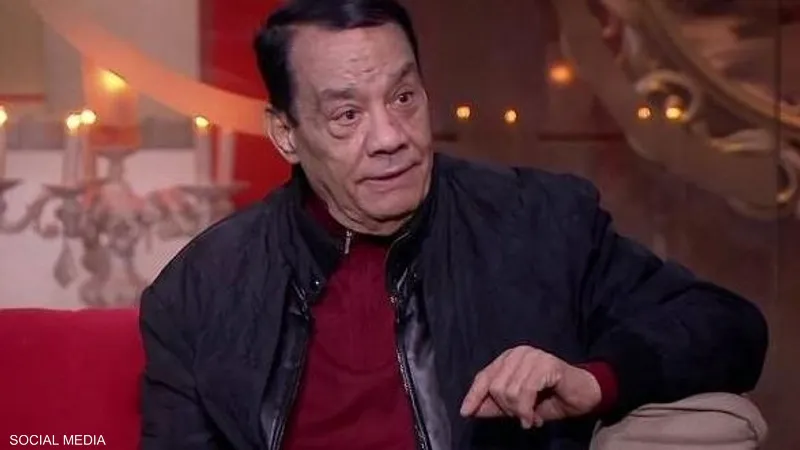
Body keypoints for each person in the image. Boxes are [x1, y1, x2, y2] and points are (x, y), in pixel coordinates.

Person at [138, 0, 768, 449]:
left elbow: (726, 326)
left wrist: (591, 383)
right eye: (347, 115)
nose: (390, 137)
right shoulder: (202, 289)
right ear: (286, 135)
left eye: (403, 97)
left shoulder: (536, 222)